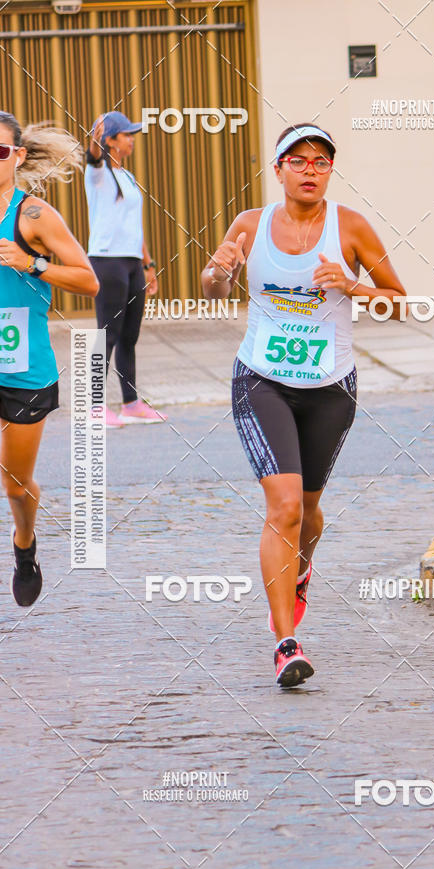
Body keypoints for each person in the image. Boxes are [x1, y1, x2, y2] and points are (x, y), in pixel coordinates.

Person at [202, 123, 406, 687]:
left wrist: (353, 287)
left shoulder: (352, 227)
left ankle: (300, 570)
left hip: (331, 385)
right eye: (299, 160)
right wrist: (219, 271)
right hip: (261, 378)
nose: (310, 169)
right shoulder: (250, 224)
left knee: (309, 511)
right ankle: (286, 643)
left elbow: (399, 304)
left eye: (321, 161)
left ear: (329, 171)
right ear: (279, 169)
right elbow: (212, 287)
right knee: (284, 507)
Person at [0, 111, 99, 606]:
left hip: (23, 367)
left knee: (15, 485)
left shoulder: (33, 216)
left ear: (17, 157)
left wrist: (31, 263)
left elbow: (88, 280)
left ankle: (24, 544)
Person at [85, 111, 164, 428]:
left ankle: (130, 403)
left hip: (131, 262)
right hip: (107, 261)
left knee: (129, 336)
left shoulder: (128, 177)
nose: (132, 139)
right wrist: (94, 138)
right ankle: (93, 407)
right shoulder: (98, 174)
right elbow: (92, 156)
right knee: (107, 333)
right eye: (127, 134)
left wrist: (148, 265)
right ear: (112, 141)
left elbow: (135, 225)